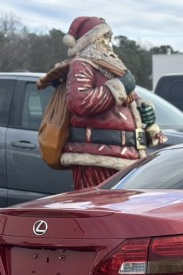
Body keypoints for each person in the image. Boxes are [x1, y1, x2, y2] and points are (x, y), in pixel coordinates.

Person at [41, 16, 166, 189]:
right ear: (90, 41)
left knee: (116, 210)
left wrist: (142, 106)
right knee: (97, 209)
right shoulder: (81, 65)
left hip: (121, 155)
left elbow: (128, 99)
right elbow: (80, 102)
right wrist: (119, 86)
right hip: (96, 155)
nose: (108, 43)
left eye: (109, 37)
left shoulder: (109, 66)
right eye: (103, 38)